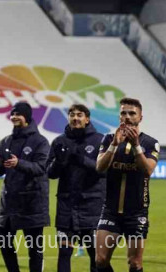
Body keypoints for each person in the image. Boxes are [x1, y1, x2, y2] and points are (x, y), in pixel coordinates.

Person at [0, 101, 50, 272]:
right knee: (4, 242)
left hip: (32, 202)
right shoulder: (5, 141)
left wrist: (18, 163)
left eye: (18, 114)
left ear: (27, 117)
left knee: (34, 248)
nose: (14, 117)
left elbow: (41, 168)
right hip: (9, 202)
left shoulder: (40, 142)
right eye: (12, 114)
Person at [95, 97, 159, 272]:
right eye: (123, 113)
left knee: (135, 263)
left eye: (132, 113)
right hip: (110, 211)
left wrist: (136, 146)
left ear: (140, 117)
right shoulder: (108, 139)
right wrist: (115, 145)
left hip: (136, 213)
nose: (127, 117)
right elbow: (100, 167)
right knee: (100, 260)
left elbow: (147, 171)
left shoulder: (150, 143)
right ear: (119, 116)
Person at [46, 104, 105, 272]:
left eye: (79, 115)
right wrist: (60, 161)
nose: (75, 118)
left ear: (87, 119)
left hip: (92, 206)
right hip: (67, 207)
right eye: (72, 114)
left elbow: (106, 171)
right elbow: (50, 173)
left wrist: (82, 160)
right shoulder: (59, 142)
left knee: (96, 255)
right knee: (64, 252)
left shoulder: (100, 140)